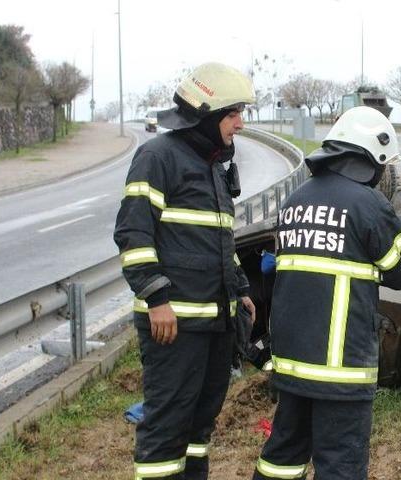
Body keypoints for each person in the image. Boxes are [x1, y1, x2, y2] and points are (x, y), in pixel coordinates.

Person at [253, 107, 401, 480]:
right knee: (340, 466)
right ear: (371, 160)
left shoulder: (295, 201)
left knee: (283, 455)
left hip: (293, 364)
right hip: (341, 372)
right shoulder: (368, 203)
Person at [113, 62, 257, 480]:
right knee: (166, 428)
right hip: (173, 327)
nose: (241, 125)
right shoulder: (158, 156)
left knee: (198, 429)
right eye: (233, 114)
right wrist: (157, 299)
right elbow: (132, 234)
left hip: (214, 324)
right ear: (206, 114)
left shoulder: (212, 164)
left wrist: (241, 288)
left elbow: (218, 240)